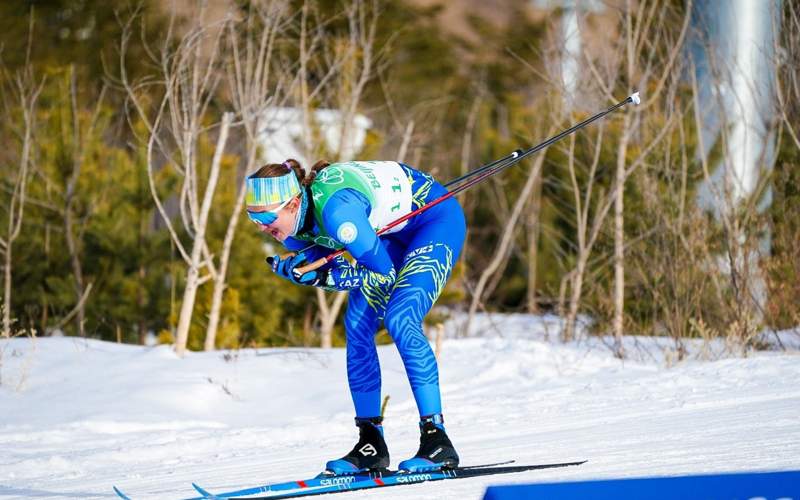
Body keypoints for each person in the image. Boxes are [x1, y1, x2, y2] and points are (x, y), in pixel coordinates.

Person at [245, 158, 467, 474]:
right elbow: (329, 261)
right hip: (390, 233)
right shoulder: (294, 226)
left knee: (400, 317)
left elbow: (382, 274)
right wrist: (303, 270)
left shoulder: (338, 214)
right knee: (357, 325)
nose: (263, 227)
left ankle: (437, 440)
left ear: (294, 203)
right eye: (254, 219)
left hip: (434, 222)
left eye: (267, 217)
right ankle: (370, 443)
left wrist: (323, 277)